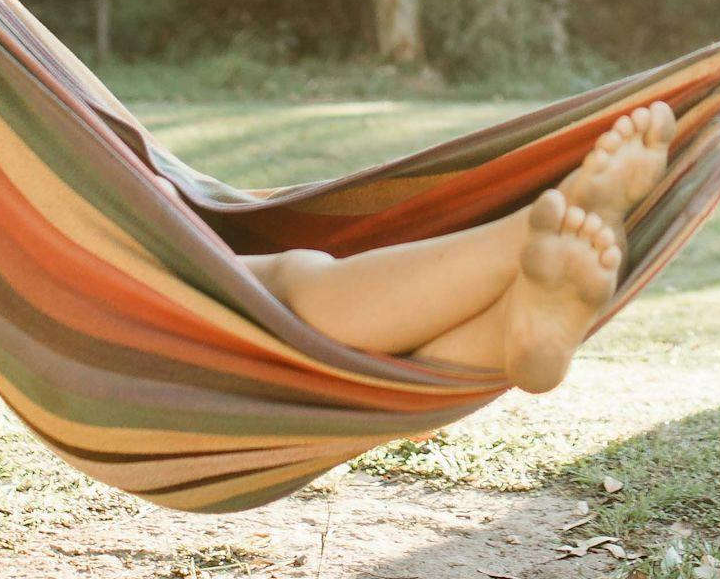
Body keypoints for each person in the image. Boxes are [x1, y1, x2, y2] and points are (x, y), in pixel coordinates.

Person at [235, 101, 676, 392]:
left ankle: (510, 327)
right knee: (281, 285)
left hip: (184, 334)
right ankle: (521, 250)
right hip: (177, 314)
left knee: (271, 291)